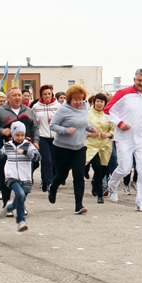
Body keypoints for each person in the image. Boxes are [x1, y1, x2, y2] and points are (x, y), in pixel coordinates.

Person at [104, 68, 142, 212]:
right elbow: (107, 110)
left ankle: (140, 202)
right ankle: (113, 184)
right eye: (139, 80)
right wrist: (119, 123)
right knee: (125, 168)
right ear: (134, 79)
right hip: (124, 138)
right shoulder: (123, 94)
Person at [0, 86, 40, 217]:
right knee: (7, 178)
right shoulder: (1, 111)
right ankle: (6, 203)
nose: (17, 98)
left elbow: (35, 128)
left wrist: (36, 141)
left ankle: (20, 203)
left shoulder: (28, 111)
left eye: (19, 95)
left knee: (26, 179)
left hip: (25, 150)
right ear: (8, 98)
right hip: (8, 149)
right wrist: (2, 131)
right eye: (14, 95)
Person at [48, 85, 96, 214]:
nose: (79, 102)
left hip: (79, 147)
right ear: (69, 99)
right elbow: (52, 125)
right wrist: (65, 130)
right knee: (62, 174)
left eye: (81, 99)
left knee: (78, 175)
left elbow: (84, 123)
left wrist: (90, 128)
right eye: (76, 100)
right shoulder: (63, 110)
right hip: (62, 147)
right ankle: (53, 187)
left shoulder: (84, 108)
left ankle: (78, 205)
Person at [0, 121, 41, 232]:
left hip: (26, 177)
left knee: (21, 198)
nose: (20, 137)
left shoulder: (28, 145)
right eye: (17, 135)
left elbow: (37, 157)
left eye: (22, 135)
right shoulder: (8, 146)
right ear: (12, 135)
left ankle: (9, 207)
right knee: (20, 194)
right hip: (11, 175)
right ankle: (20, 221)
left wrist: (25, 152)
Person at [85, 93, 114, 203]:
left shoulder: (108, 115)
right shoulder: (87, 114)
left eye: (101, 101)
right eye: (97, 101)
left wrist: (108, 135)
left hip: (105, 146)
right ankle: (100, 195)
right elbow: (81, 127)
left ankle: (95, 183)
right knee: (97, 168)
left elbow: (113, 130)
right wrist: (88, 133)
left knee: (104, 170)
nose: (99, 103)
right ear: (93, 102)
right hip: (91, 145)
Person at [31, 84, 60, 192]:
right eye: (44, 94)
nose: (47, 96)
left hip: (55, 136)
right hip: (42, 135)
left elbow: (64, 119)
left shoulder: (58, 106)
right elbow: (31, 120)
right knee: (46, 160)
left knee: (55, 161)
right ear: (41, 95)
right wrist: (36, 121)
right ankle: (48, 183)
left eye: (49, 94)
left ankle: (49, 180)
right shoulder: (36, 107)